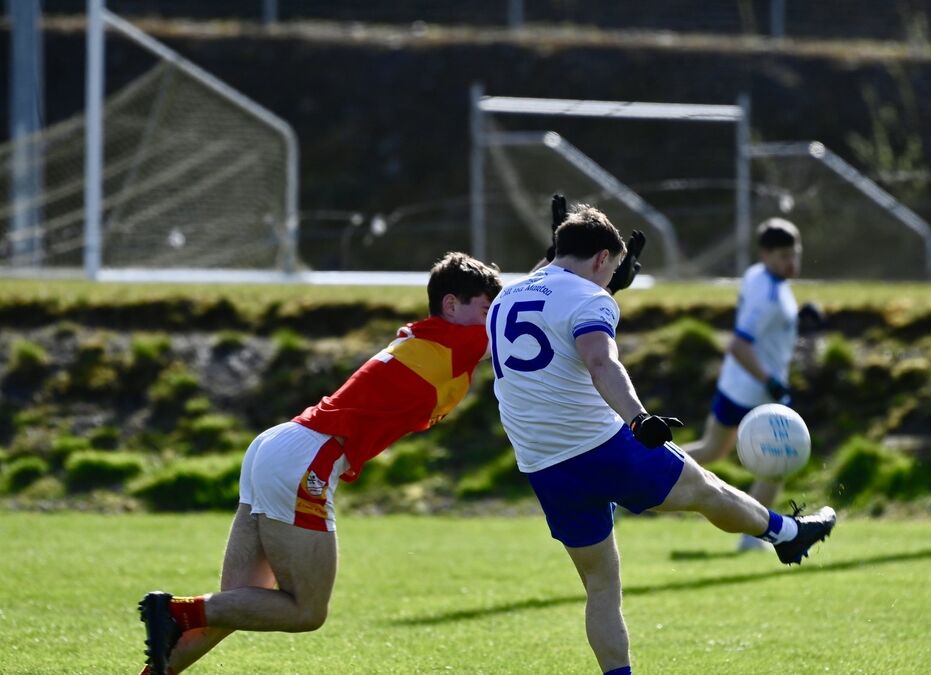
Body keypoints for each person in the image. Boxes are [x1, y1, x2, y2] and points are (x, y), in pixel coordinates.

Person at [487, 205, 836, 674]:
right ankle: (785, 534)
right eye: (610, 269)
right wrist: (638, 418)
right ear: (601, 257)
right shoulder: (593, 300)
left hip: (543, 466)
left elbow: (549, 292)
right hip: (601, 446)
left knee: (601, 587)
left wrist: (577, 262)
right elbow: (601, 362)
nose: (610, 282)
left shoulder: (506, 298)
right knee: (707, 490)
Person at [137, 252, 503, 675]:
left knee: (235, 606)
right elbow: (526, 320)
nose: (491, 318)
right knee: (306, 611)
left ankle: (163, 649)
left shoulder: (439, 339)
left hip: (280, 446)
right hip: (306, 458)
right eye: (485, 308)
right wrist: (561, 279)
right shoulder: (461, 339)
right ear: (451, 305)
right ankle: (173, 611)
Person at [680, 217, 807, 552]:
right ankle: (754, 536)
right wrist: (773, 383)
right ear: (765, 255)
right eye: (782, 256)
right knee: (779, 461)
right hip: (757, 392)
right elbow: (739, 344)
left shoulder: (758, 275)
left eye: (794, 254)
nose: (790, 262)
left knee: (711, 449)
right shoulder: (769, 295)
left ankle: (631, 479)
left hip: (734, 384)